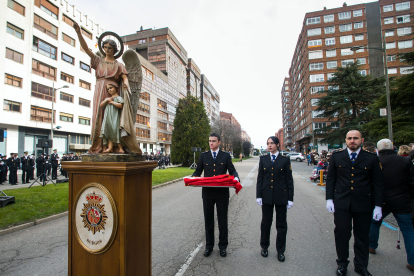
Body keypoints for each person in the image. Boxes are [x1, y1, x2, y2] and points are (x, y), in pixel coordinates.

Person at [326, 130, 384, 276]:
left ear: (362, 140)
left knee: (362, 236)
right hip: (342, 203)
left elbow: (377, 183)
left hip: (363, 203)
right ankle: (342, 264)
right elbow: (331, 179)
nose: (353, 141)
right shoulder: (337, 157)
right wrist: (329, 199)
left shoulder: (371, 158)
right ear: (345, 140)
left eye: (356, 138)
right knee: (342, 234)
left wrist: (378, 205)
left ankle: (361, 265)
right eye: (350, 138)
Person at [368, 139, 414, 272]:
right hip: (402, 200)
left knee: (375, 222)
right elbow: (412, 182)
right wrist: (409, 196)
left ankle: (371, 245)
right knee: (408, 229)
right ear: (392, 147)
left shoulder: (375, 161)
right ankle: (412, 261)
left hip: (381, 200)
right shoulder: (405, 161)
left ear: (378, 149)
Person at [192, 133, 240, 258]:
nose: (211, 143)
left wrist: (236, 177)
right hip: (207, 193)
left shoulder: (225, 156)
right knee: (208, 220)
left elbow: (232, 170)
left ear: (219, 142)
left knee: (222, 220)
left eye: (213, 141)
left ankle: (223, 247)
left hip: (222, 193)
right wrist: (191, 178)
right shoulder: (204, 156)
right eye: (209, 141)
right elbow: (198, 171)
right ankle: (209, 246)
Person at [256, 136, 294, 261]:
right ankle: (264, 247)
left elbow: (289, 180)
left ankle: (281, 251)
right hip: (266, 195)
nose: (269, 145)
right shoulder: (263, 159)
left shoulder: (285, 160)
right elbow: (260, 178)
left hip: (281, 196)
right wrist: (258, 195)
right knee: (266, 223)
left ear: (277, 144)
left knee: (281, 225)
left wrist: (290, 198)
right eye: (268, 143)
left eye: (272, 143)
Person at [100, 83, 124, 153]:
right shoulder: (108, 99)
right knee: (109, 132)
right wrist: (107, 100)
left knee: (116, 131)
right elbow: (101, 105)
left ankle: (120, 148)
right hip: (108, 117)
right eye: (108, 89)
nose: (109, 90)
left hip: (115, 117)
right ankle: (110, 148)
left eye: (111, 88)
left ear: (116, 88)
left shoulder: (119, 98)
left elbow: (120, 105)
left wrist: (112, 102)